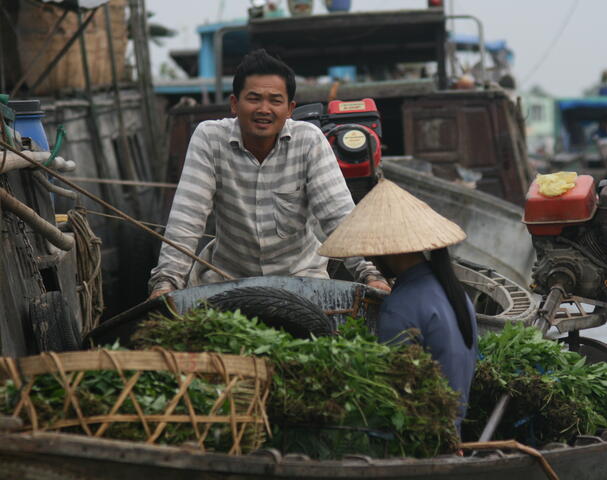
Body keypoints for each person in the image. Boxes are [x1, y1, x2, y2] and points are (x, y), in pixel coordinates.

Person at [149, 50, 389, 298]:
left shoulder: (308, 140)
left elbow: (338, 215)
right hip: (225, 279)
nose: (264, 109)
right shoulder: (209, 138)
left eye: (275, 100)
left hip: (302, 279)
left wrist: (370, 274)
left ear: (289, 109)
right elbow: (187, 217)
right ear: (234, 104)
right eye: (254, 98)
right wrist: (166, 282)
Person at [318, 179, 478, 433]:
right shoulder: (457, 294)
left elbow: (393, 398)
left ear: (389, 252)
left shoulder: (401, 306)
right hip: (451, 430)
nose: (370, 258)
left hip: (418, 441)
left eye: (372, 251)